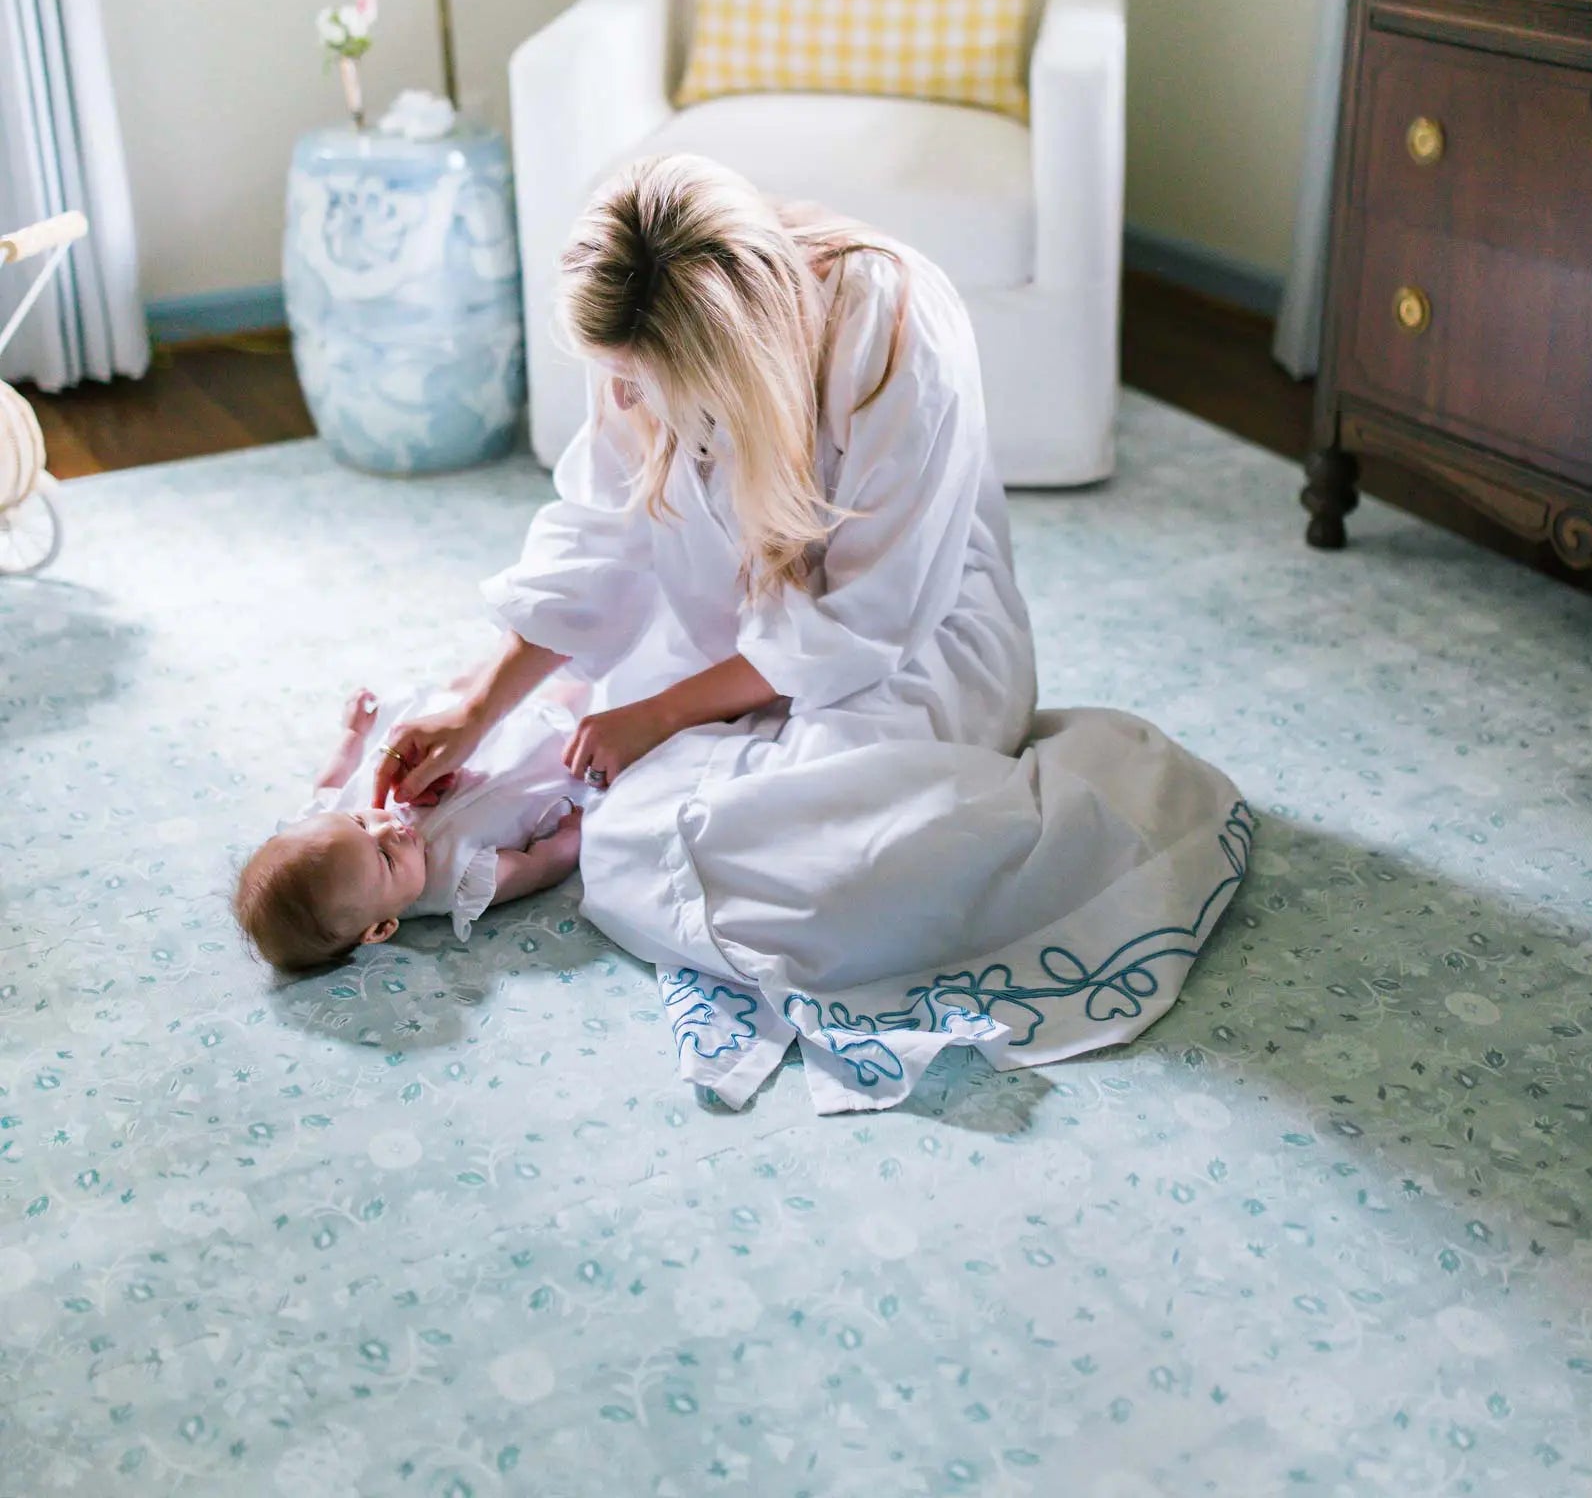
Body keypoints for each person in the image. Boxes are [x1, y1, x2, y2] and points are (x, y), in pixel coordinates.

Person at [371, 153, 1252, 1114]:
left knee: (824, 887)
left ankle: (1097, 813)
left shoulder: (892, 324)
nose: (622, 402)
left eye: (638, 382)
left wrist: (664, 714)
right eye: (613, 378)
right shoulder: (635, 328)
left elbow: (875, 615)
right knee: (628, 844)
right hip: (727, 642)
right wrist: (475, 704)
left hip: (906, 657)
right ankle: (740, 787)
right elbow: (602, 535)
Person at [234, 684, 584, 970]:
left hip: (475, 732)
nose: (388, 827)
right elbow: (538, 868)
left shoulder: (331, 831)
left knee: (535, 669)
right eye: (386, 858)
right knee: (580, 694)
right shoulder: (457, 881)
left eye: (359, 821)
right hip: (550, 759)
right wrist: (571, 834)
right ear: (382, 928)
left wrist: (354, 734)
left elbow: (329, 784)